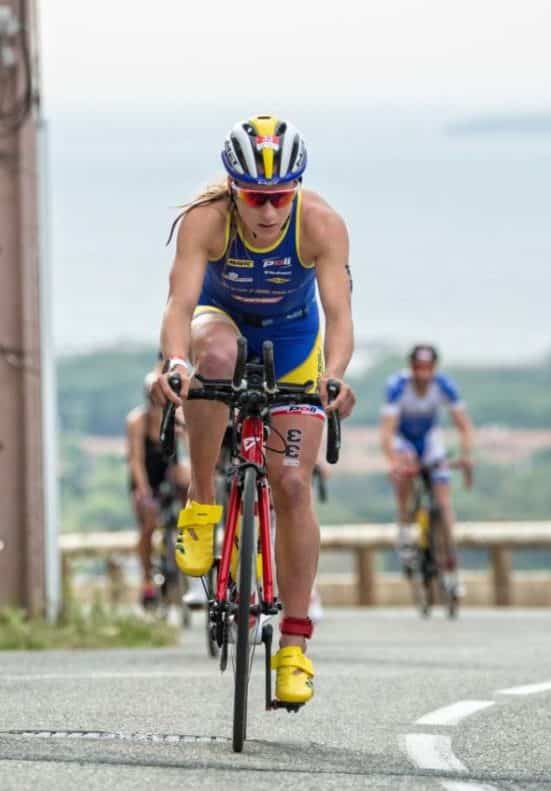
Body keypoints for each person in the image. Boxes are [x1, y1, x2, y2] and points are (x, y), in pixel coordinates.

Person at [152, 114, 355, 707]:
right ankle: (201, 505)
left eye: (280, 197)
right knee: (212, 354)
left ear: (296, 189)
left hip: (294, 343)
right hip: (219, 323)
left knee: (292, 482)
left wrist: (334, 376)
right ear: (234, 189)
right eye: (256, 198)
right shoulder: (205, 219)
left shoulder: (320, 224)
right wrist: (174, 361)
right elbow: (178, 302)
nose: (268, 211)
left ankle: (294, 646)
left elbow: (340, 317)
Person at [380, 344, 475, 598]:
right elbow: (387, 431)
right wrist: (393, 461)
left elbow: (464, 426)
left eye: (427, 369)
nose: (422, 374)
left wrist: (466, 456)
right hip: (405, 441)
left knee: (443, 501)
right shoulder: (398, 385)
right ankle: (405, 530)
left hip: (430, 440)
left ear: (434, 369)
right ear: (411, 368)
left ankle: (451, 563)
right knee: (405, 475)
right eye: (418, 368)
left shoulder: (444, 385)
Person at [127, 369, 190, 608]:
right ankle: (146, 580)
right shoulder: (138, 421)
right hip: (146, 474)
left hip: (170, 471)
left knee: (185, 484)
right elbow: (135, 458)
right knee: (148, 525)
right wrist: (143, 490)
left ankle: (187, 536)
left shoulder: (176, 419)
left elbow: (189, 450)